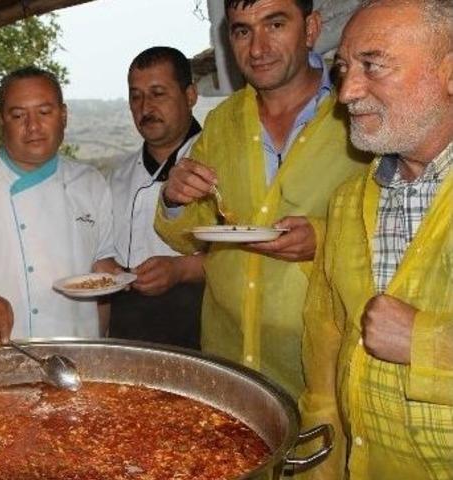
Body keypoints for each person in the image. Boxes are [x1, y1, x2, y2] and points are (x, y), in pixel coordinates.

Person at [155, 0, 370, 398]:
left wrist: (323, 240)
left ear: (310, 29)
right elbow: (187, 236)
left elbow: (397, 225)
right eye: (242, 30)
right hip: (227, 362)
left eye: (274, 24)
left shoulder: (359, 110)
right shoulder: (222, 122)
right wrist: (174, 196)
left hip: (321, 372)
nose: (257, 48)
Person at [301, 1, 453, 478]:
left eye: (373, 65)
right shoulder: (349, 200)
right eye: (344, 68)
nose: (346, 91)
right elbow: (325, 339)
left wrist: (423, 341)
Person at [0, 66, 120, 344]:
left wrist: (127, 280)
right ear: (1, 120)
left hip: (77, 348)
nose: (33, 126)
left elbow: (103, 270)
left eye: (45, 113)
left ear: (64, 115)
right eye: (18, 115)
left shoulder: (91, 183)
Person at [107, 46, 205, 349]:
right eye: (136, 96)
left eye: (158, 93)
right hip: (127, 331)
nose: (145, 106)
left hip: (199, 328)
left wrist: (180, 270)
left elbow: (246, 257)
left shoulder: (217, 161)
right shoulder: (118, 178)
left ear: (190, 95)